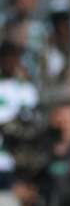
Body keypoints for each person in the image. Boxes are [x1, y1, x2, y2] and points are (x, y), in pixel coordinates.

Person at [0, 41, 39, 190]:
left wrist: (7, 126)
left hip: (17, 160)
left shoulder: (26, 90)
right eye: (5, 57)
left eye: (13, 57)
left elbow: (30, 122)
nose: (9, 61)